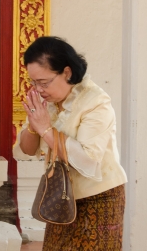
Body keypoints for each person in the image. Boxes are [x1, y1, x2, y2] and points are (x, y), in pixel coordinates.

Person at [13, 36, 127, 250]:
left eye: (44, 82)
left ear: (66, 72)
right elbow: (26, 151)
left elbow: (87, 160)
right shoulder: (50, 102)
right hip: (60, 195)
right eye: (34, 82)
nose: (38, 89)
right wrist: (33, 125)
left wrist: (46, 129)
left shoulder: (96, 102)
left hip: (98, 198)